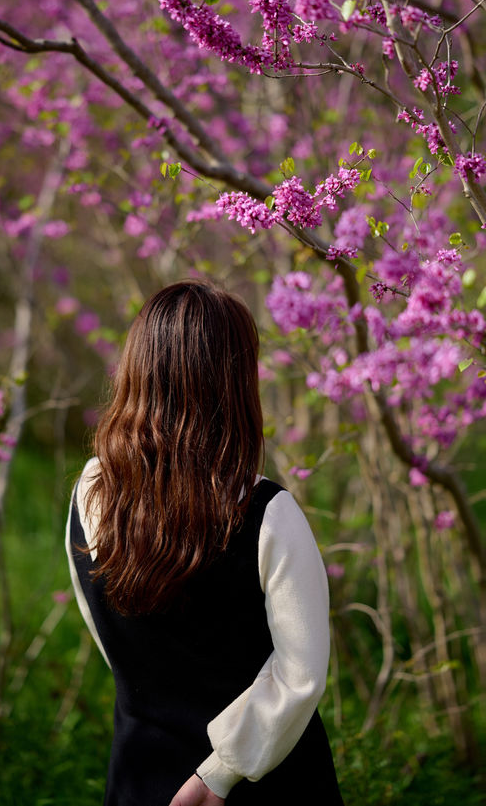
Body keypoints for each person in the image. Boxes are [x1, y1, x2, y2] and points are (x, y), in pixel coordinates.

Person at [66, 280, 345, 805]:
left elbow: (115, 643)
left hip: (143, 777)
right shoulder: (269, 513)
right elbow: (300, 675)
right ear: (232, 383)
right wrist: (220, 772)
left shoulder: (88, 492)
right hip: (271, 786)